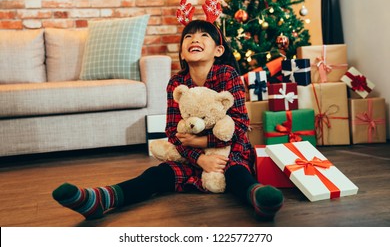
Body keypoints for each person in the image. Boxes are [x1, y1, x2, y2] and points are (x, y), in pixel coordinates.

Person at [52, 19, 284, 221]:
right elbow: (173, 131)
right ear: (182, 52)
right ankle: (101, 199)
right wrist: (199, 158)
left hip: (230, 152)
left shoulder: (227, 75)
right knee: (157, 174)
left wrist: (202, 143)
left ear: (218, 50)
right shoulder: (176, 83)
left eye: (204, 35)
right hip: (191, 160)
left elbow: (240, 125)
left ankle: (259, 198)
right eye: (189, 36)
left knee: (236, 174)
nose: (195, 39)